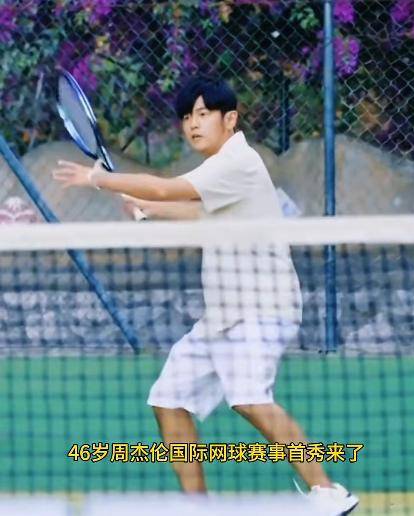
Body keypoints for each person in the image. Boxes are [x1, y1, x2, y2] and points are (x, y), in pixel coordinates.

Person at [53, 75, 359, 515]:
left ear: (229, 120)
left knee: (249, 398)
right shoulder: (223, 172)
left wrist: (101, 179)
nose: (192, 124)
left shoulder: (239, 162)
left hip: (263, 308)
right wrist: (150, 210)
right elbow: (200, 213)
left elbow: (166, 187)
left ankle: (328, 491)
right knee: (168, 400)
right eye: (186, 117)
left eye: (202, 114)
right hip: (222, 315)